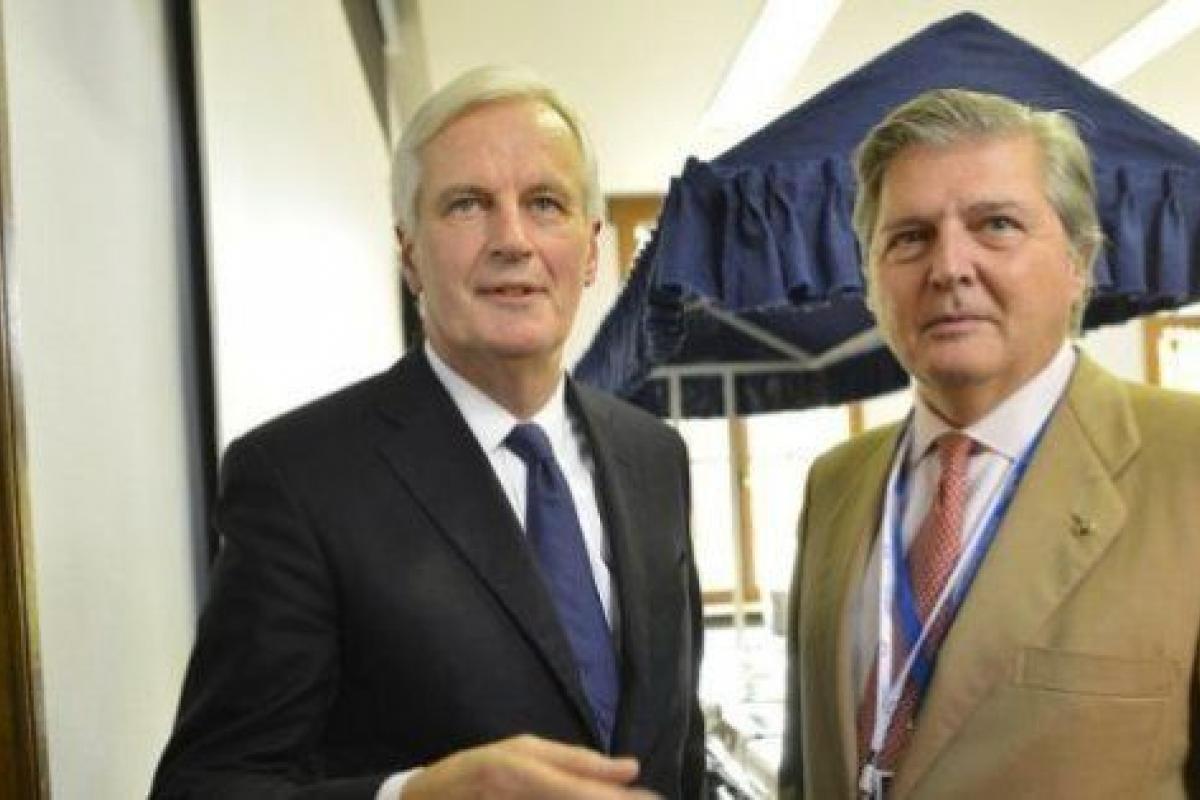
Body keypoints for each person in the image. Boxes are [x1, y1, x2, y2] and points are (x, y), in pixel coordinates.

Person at [152, 65, 705, 799]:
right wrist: (411, 796)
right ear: (409, 251)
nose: (512, 239)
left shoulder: (655, 456)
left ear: (593, 248)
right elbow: (203, 787)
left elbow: (679, 744)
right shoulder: (297, 478)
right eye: (468, 204)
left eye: (545, 203)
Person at [780, 88, 1200, 799]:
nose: (949, 266)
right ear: (871, 279)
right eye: (909, 237)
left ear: (1079, 261)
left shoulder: (1185, 465)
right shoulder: (835, 483)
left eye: (996, 225)